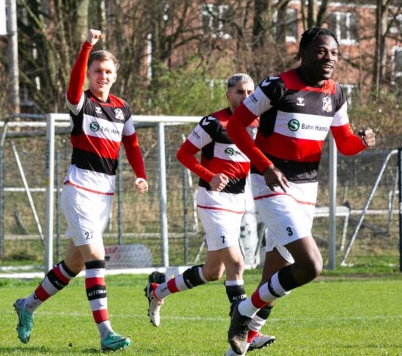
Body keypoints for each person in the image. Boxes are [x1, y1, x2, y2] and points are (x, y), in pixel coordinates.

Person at [224, 27, 376, 355]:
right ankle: (244, 311)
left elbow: (345, 143)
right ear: (303, 51)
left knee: (276, 277)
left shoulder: (335, 93)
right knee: (310, 265)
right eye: (322, 51)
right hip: (271, 183)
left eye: (334, 53)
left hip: (307, 188)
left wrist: (362, 140)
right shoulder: (276, 86)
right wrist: (264, 166)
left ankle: (238, 346)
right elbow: (236, 126)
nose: (329, 58)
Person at [13, 29, 148, 352]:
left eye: (108, 72)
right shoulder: (81, 103)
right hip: (80, 188)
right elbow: (74, 86)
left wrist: (140, 175)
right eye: (97, 71)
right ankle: (106, 334)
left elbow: (131, 143)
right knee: (96, 259)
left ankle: (27, 305)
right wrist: (87, 46)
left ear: (115, 77)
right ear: (89, 74)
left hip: (106, 193)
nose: (103, 76)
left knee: (73, 264)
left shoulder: (122, 108)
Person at [143, 73, 275, 351]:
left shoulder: (258, 124)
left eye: (250, 92)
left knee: (213, 271)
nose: (246, 97)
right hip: (212, 200)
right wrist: (209, 175)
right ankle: (245, 333)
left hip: (239, 202)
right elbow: (183, 154)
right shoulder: (214, 123)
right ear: (228, 95)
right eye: (239, 92)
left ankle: (158, 291)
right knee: (237, 264)